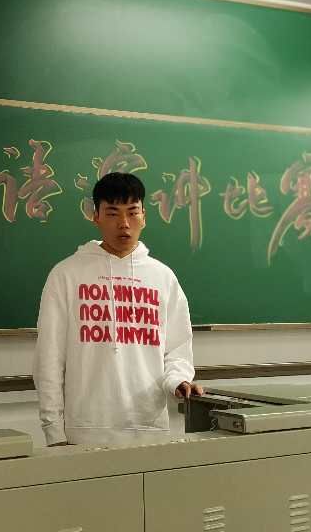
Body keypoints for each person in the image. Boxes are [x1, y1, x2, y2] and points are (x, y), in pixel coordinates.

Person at [33, 172, 203, 447]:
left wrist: (178, 381)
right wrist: (54, 431)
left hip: (149, 429)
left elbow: (177, 349)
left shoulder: (163, 277)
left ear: (144, 216)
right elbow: (49, 359)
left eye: (132, 212)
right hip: (85, 430)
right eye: (112, 213)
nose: (124, 223)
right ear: (95, 216)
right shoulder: (66, 275)